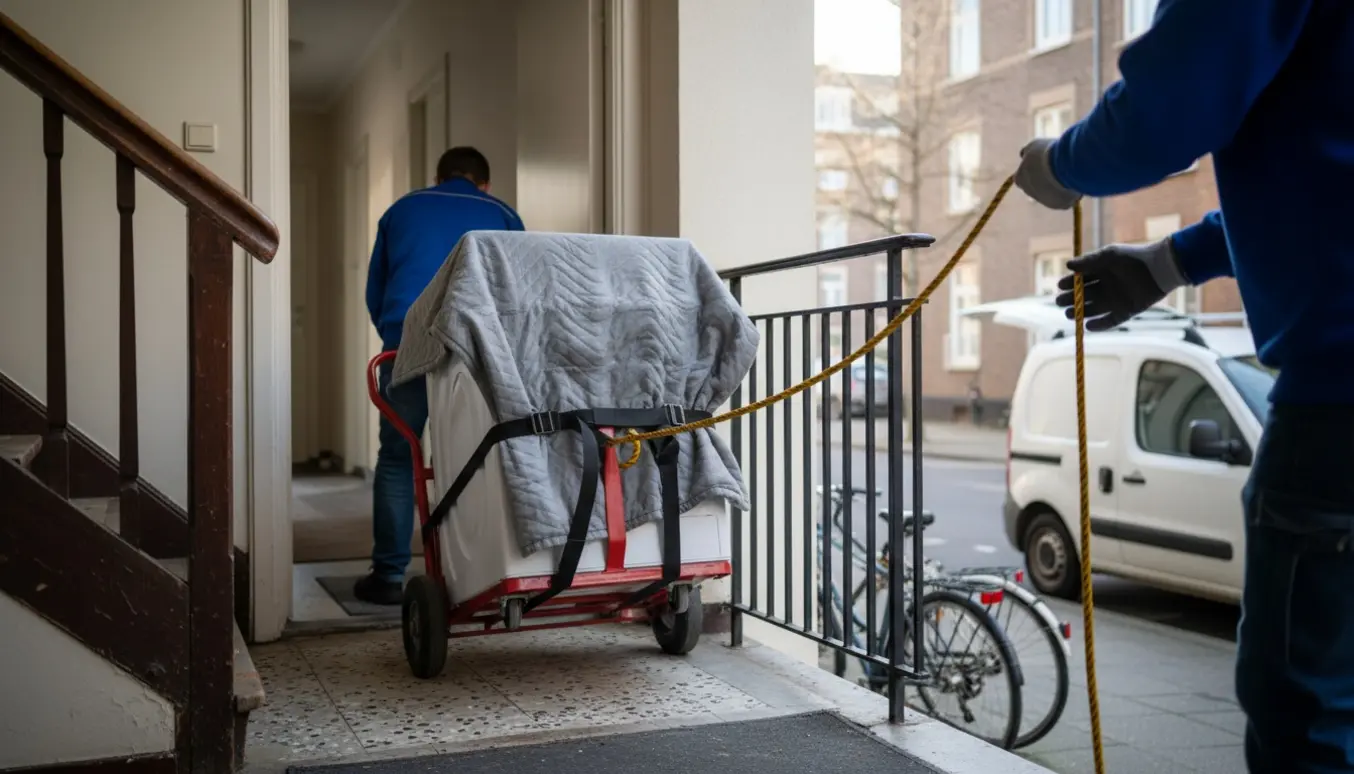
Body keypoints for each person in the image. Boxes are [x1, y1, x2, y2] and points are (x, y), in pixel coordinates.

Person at [1013, 2, 1354, 770]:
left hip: (1339, 408)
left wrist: (1062, 165)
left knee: (1310, 726)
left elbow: (1171, 103)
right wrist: (1169, 264)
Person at [357, 146, 525, 605]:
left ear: (438, 177)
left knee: (397, 458)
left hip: (406, 345)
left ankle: (388, 575)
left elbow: (376, 291)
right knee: (471, 459)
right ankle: (469, 574)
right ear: (484, 183)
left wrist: (395, 334)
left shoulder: (401, 210)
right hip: (476, 351)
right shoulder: (503, 214)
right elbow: (517, 291)